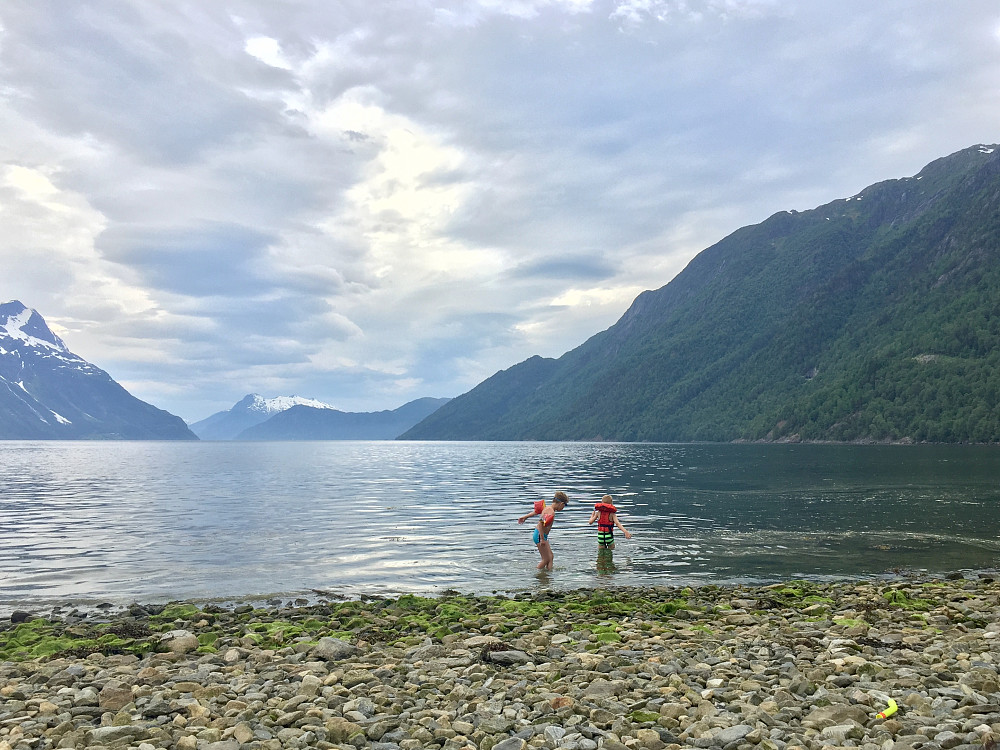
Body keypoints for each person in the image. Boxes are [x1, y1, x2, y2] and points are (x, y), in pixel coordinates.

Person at [518, 491, 569, 570]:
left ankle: (548, 575)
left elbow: (536, 512)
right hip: (539, 535)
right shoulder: (550, 511)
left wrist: (525, 517)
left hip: (542, 535)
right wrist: (542, 539)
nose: (563, 508)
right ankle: (537, 574)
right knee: (545, 559)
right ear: (561, 504)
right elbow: (541, 523)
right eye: (564, 506)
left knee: (551, 556)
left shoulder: (548, 508)